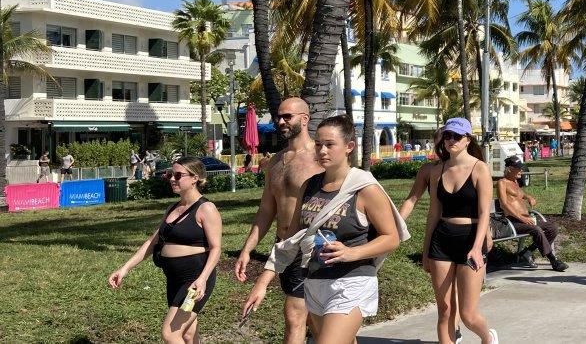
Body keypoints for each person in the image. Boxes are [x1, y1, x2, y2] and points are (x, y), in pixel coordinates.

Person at [243, 115, 405, 344]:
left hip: (351, 283)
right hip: (315, 281)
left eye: (330, 145)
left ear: (349, 147)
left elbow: (392, 238)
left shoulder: (364, 189)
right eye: (318, 144)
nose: (322, 151)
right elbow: (290, 239)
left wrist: (352, 253)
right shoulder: (310, 186)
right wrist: (262, 282)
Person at [234, 98, 325, 344]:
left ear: (305, 119)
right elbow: (266, 210)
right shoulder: (275, 162)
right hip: (283, 248)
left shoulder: (321, 157)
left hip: (311, 248)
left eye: (288, 116)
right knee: (317, 324)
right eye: (279, 116)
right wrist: (247, 249)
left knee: (294, 316)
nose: (280, 121)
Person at [109, 157, 222, 343]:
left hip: (194, 280)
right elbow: (152, 242)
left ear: (194, 178)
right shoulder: (172, 208)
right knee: (188, 333)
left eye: (178, 175)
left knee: (170, 334)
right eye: (170, 174)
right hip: (174, 280)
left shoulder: (206, 209)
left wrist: (202, 279)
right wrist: (125, 268)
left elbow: (216, 248)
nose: (172, 179)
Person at [423, 117, 497, 344]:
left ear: (467, 140)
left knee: (467, 314)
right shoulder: (437, 171)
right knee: (444, 309)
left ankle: (488, 336)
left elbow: (485, 212)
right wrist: (426, 251)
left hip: (470, 239)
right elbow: (434, 213)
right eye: (447, 135)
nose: (451, 140)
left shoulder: (479, 168)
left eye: (457, 136)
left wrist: (477, 247)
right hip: (442, 240)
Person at [398, 129, 464, 344]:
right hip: (440, 234)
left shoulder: (470, 166)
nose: (446, 144)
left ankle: (455, 330)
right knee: (445, 296)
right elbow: (411, 200)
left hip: (466, 236)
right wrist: (394, 228)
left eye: (451, 138)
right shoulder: (429, 170)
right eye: (442, 140)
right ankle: (450, 334)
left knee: (460, 295)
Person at [498, 155, 567, 272]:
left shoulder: (515, 182)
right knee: (537, 230)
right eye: (518, 168)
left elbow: (520, 194)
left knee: (552, 228)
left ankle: (528, 252)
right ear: (509, 169)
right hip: (512, 221)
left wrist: (528, 197)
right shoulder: (502, 182)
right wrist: (521, 218)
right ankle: (553, 260)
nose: (521, 170)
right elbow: (504, 204)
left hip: (526, 219)